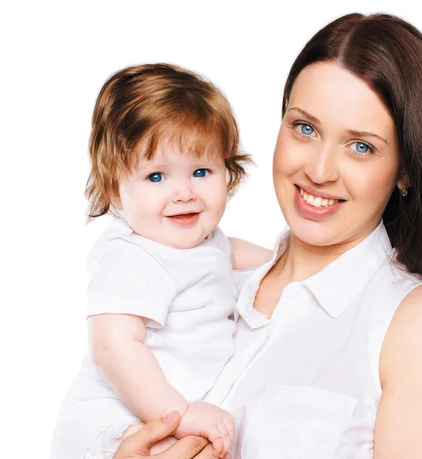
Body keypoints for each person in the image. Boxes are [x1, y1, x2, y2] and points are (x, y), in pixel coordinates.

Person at [115, 12, 422, 459]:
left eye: (361, 146)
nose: (319, 170)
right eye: (305, 128)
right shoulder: (204, 280)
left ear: (406, 168)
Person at [50, 63, 272, 459]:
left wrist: (289, 258)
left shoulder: (207, 243)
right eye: (156, 177)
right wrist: (180, 413)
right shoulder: (131, 256)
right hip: (118, 422)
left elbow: (236, 256)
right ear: (114, 190)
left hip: (166, 418)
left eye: (201, 171)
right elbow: (113, 345)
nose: (184, 192)